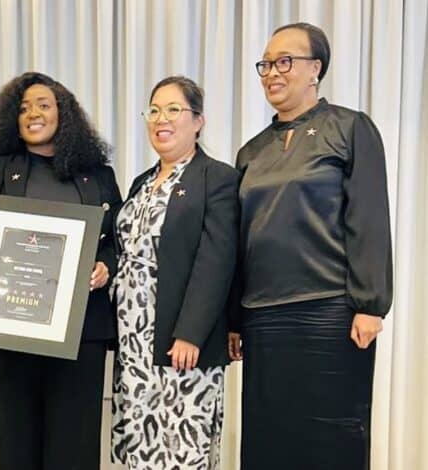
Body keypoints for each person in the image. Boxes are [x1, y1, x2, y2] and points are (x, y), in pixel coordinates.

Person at [228, 22, 392, 470]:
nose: (272, 73)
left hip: (329, 312)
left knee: (331, 439)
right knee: (270, 439)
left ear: (315, 68)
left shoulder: (349, 128)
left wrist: (370, 304)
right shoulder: (251, 152)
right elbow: (240, 238)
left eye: (285, 62)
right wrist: (234, 319)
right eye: (265, 65)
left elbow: (369, 217)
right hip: (263, 315)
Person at [0, 71, 122, 470]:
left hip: (81, 332)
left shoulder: (98, 175)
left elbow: (116, 240)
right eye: (23, 108)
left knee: (75, 449)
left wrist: (105, 266)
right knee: (17, 449)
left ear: (63, 114)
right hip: (9, 334)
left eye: (43, 105)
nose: (33, 114)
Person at [110, 76, 239, 469]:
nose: (160, 119)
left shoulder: (216, 178)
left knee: (182, 446)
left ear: (198, 120)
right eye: (153, 111)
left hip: (181, 340)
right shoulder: (141, 183)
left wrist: (190, 332)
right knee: (142, 443)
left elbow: (216, 260)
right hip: (134, 340)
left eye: (173, 110)